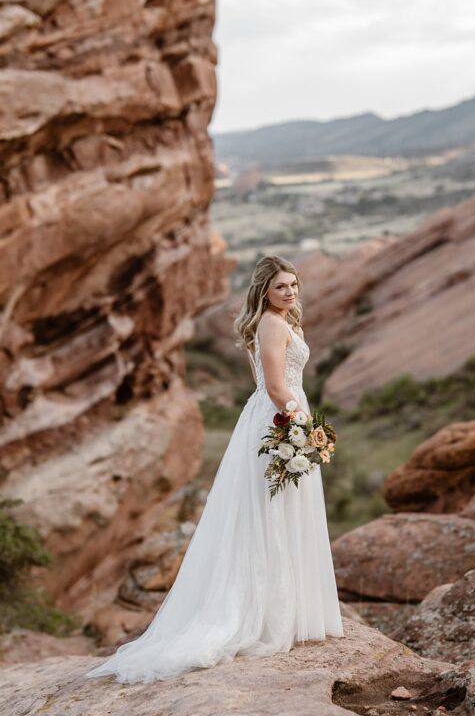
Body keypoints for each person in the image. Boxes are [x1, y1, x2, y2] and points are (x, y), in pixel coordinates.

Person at [85, 256, 344, 684]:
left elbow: (265, 383)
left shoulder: (282, 322)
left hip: (277, 413)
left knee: (283, 509)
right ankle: (267, 616)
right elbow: (274, 386)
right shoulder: (271, 324)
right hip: (281, 417)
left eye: (294, 285)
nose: (290, 292)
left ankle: (289, 610)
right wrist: (301, 425)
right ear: (265, 291)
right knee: (272, 512)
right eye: (281, 286)